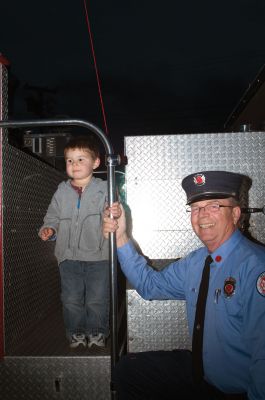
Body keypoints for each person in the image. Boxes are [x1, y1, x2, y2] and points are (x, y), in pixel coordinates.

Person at [103, 170, 265, 400]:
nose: (203, 215)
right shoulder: (196, 262)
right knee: (128, 371)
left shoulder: (256, 268)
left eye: (215, 206)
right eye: (196, 208)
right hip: (201, 374)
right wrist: (120, 237)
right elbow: (150, 285)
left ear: (236, 214)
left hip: (237, 390)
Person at [39, 135, 119, 349]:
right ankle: (75, 333)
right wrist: (49, 229)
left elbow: (115, 214)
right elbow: (52, 216)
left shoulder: (105, 188)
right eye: (69, 160)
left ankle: (97, 332)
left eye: (81, 159)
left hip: (98, 256)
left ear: (96, 162)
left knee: (97, 298)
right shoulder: (61, 190)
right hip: (68, 257)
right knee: (71, 299)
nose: (74, 164)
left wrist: (115, 212)